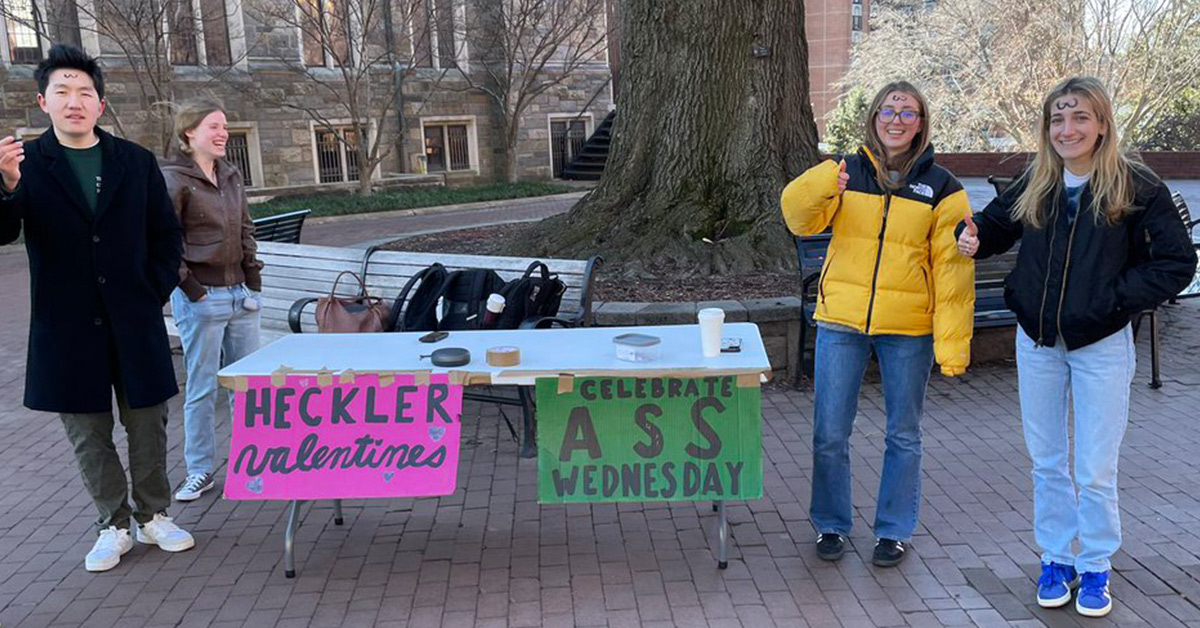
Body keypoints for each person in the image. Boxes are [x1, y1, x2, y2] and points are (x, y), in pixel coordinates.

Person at [956, 77, 1196, 617]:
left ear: (1102, 124)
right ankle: (1056, 558)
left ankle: (1095, 567)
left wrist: (1113, 302)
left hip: (1102, 345)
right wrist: (968, 237)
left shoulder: (1137, 187)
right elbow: (992, 229)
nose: (1068, 129)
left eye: (1080, 118)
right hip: (1037, 342)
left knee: (1093, 467)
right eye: (1058, 120)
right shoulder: (1036, 180)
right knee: (1046, 461)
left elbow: (1176, 265)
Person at [0, 44, 195, 572]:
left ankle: (154, 514)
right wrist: (9, 188)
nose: (74, 101)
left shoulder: (132, 161)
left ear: (100, 105)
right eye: (62, 91)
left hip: (132, 318)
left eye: (85, 92)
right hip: (66, 327)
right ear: (43, 101)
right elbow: (3, 231)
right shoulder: (26, 163)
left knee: (148, 422)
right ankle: (112, 523)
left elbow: (166, 234)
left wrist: (148, 290)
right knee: (88, 433)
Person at [781, 81, 975, 567]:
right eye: (889, 109)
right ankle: (830, 523)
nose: (897, 119)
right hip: (842, 320)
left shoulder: (945, 189)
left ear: (921, 123)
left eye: (908, 112)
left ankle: (893, 530)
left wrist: (952, 348)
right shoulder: (843, 171)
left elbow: (952, 271)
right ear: (873, 117)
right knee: (829, 432)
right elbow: (798, 219)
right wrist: (824, 184)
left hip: (908, 328)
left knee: (904, 434)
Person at [160, 99, 263, 502]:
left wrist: (252, 281)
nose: (223, 134)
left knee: (246, 388)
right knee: (203, 389)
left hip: (240, 295)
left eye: (225, 127)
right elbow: (166, 243)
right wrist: (194, 292)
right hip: (201, 299)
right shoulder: (173, 179)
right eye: (214, 127)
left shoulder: (231, 174)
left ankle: (251, 465)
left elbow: (245, 228)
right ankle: (199, 471)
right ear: (190, 133)